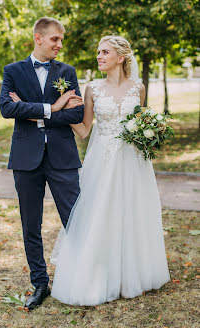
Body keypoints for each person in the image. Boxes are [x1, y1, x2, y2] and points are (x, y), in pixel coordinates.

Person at [50, 35, 171, 306]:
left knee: (132, 213)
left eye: (105, 52)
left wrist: (153, 132)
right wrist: (63, 113)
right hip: (102, 160)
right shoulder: (92, 88)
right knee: (100, 212)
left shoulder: (137, 88)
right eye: (98, 52)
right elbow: (84, 131)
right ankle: (98, 274)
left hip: (133, 160)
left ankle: (131, 274)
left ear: (121, 57)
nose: (99, 56)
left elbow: (141, 124)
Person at [0, 17, 84, 310]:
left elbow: (76, 115)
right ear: (38, 38)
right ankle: (40, 283)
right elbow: (7, 108)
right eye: (55, 40)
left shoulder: (67, 72)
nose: (60, 46)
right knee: (30, 225)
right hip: (26, 159)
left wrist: (35, 112)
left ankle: (84, 277)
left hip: (62, 157)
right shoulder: (12, 71)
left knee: (76, 218)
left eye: (61, 41)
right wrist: (53, 106)